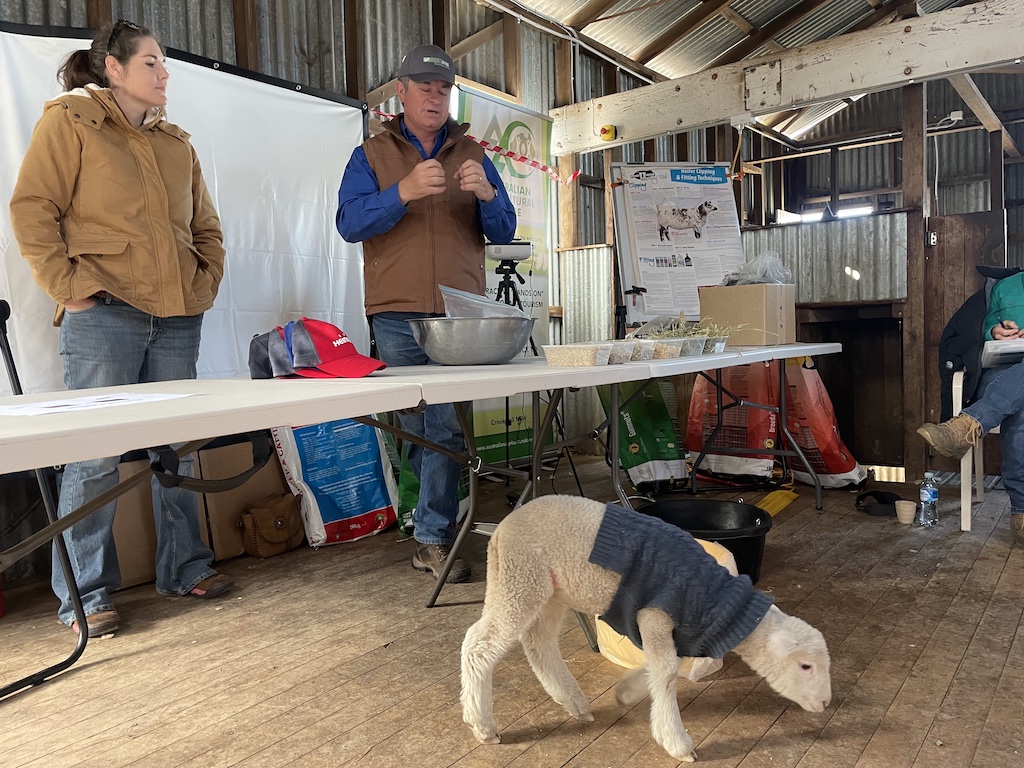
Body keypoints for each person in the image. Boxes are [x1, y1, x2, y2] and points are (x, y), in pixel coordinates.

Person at [9, 20, 233, 635]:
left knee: (178, 446)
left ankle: (186, 567)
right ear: (114, 67)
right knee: (91, 454)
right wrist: (69, 288)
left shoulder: (176, 144)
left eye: (164, 65)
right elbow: (33, 209)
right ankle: (86, 595)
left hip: (176, 319)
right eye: (153, 63)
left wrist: (201, 285)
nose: (165, 75)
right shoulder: (70, 122)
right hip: (103, 315)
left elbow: (206, 229)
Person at [336, 44, 516, 583]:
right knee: (416, 426)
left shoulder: (475, 154)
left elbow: (504, 230)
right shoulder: (370, 154)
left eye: (443, 89)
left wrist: (488, 193)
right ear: (401, 91)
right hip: (396, 312)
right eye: (424, 87)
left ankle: (433, 536)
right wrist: (402, 192)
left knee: (446, 426)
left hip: (460, 312)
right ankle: (429, 517)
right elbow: (349, 223)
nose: (434, 98)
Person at [918, 270, 1024, 547]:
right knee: (1019, 402)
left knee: (1020, 408)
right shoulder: (1005, 287)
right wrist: (995, 331)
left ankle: (968, 425)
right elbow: (985, 326)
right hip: (1003, 370)